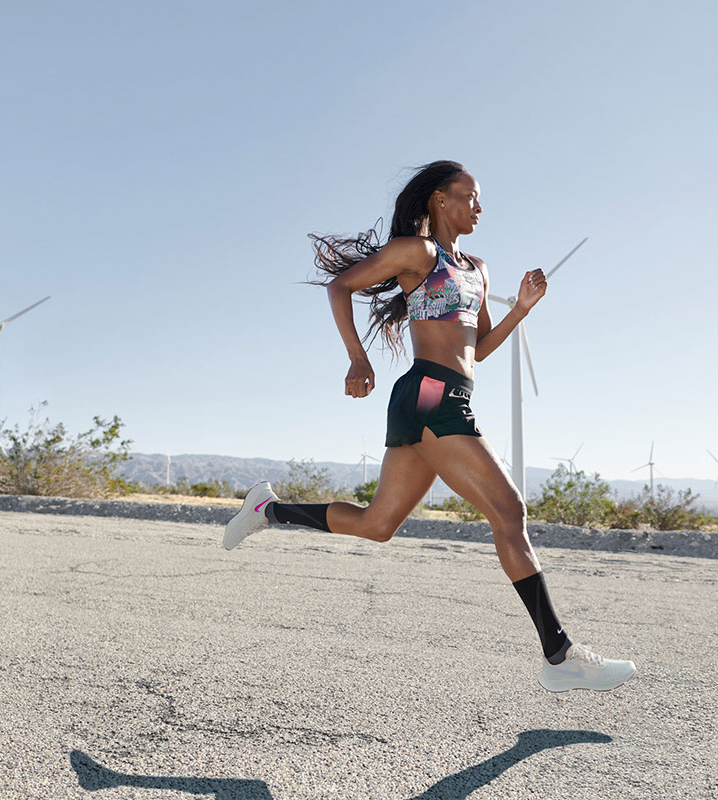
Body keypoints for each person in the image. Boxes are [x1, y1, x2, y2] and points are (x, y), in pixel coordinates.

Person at [224, 160, 634, 692]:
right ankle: (560, 656)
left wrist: (522, 311)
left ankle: (269, 509)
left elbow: (479, 350)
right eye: (470, 196)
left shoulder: (478, 268)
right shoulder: (417, 254)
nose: (479, 207)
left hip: (444, 395)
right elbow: (340, 287)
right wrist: (358, 358)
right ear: (440, 199)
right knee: (509, 511)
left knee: (377, 525)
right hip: (430, 392)